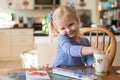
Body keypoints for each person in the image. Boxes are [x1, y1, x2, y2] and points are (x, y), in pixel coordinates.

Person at [47, 2, 103, 68]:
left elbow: (88, 58)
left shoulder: (85, 41)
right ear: (58, 31)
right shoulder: (62, 38)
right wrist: (92, 49)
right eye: (63, 28)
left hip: (76, 73)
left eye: (71, 25)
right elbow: (70, 50)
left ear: (77, 21)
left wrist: (93, 63)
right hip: (59, 71)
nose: (68, 30)